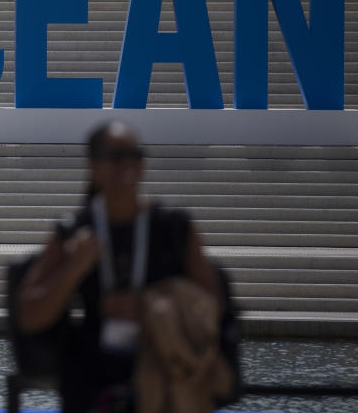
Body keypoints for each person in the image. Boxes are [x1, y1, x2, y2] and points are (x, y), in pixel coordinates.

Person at [15, 121, 222, 413]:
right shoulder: (75, 231)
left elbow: (214, 305)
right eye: (116, 156)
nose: (128, 164)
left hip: (166, 371)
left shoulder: (175, 228)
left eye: (135, 155)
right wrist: (75, 267)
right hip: (92, 379)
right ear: (94, 165)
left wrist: (148, 308)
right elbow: (29, 315)